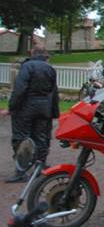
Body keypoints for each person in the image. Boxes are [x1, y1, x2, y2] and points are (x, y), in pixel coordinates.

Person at [6, 45, 59, 183]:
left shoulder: (27, 67)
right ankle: (40, 167)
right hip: (44, 108)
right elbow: (54, 91)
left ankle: (21, 171)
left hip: (26, 108)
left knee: (21, 138)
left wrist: (12, 107)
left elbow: (19, 89)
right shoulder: (50, 68)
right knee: (41, 138)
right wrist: (54, 111)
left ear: (32, 53)